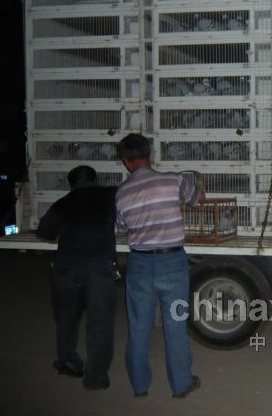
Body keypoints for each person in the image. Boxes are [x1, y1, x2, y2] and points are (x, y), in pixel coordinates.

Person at [115, 133, 202, 398]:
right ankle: (181, 385)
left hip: (139, 264)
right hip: (172, 262)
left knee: (138, 328)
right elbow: (197, 199)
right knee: (175, 325)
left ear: (126, 161)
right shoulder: (173, 180)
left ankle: (140, 386)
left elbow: (122, 227)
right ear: (149, 154)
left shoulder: (122, 192)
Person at [37, 165, 118, 390]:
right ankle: (96, 378)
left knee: (66, 320)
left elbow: (45, 232)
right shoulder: (110, 195)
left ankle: (68, 363)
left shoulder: (63, 203)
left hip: (66, 270)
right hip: (99, 270)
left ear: (71, 184)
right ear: (95, 179)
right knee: (100, 324)